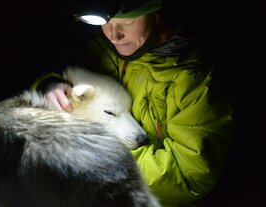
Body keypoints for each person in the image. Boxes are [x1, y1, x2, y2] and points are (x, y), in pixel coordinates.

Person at [32, 0, 233, 206]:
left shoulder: (192, 80)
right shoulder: (102, 51)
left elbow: (189, 174)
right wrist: (49, 85)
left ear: (157, 16)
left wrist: (97, 159)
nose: (114, 35)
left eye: (127, 22)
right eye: (106, 21)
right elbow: (69, 80)